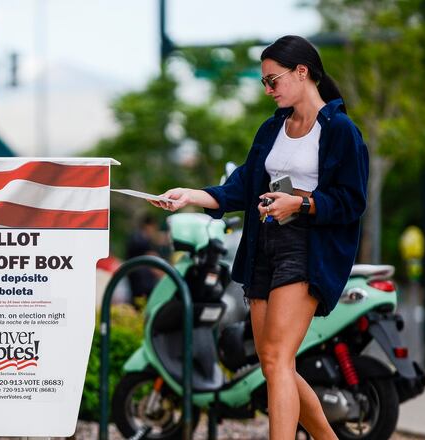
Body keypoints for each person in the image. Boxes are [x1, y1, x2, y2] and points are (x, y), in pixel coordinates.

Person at [150, 35, 369, 440]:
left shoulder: (340, 130)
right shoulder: (273, 128)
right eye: (265, 82)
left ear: (302, 72)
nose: (268, 90)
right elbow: (241, 188)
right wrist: (188, 196)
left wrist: (299, 205)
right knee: (272, 361)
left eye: (273, 80)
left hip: (307, 248)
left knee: (279, 358)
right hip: (263, 247)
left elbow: (351, 202)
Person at [125, 214, 161, 305]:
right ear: (149, 226)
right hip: (142, 283)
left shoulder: (136, 237)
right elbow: (153, 259)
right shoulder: (141, 240)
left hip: (137, 280)